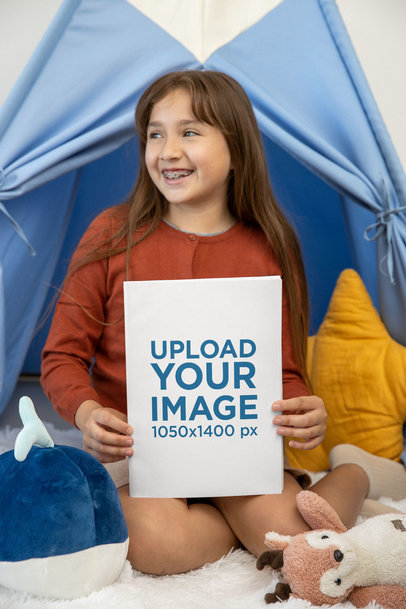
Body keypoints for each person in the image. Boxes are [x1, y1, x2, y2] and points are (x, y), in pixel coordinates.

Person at [41, 70, 406, 576]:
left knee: (298, 544)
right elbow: (61, 357)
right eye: (155, 133)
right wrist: (86, 415)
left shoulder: (270, 245)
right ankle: (241, 527)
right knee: (154, 545)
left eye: (189, 132)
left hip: (238, 449)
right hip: (144, 456)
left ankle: (355, 470)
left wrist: (304, 410)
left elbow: (285, 371)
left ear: (235, 146)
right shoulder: (111, 234)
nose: (167, 150)